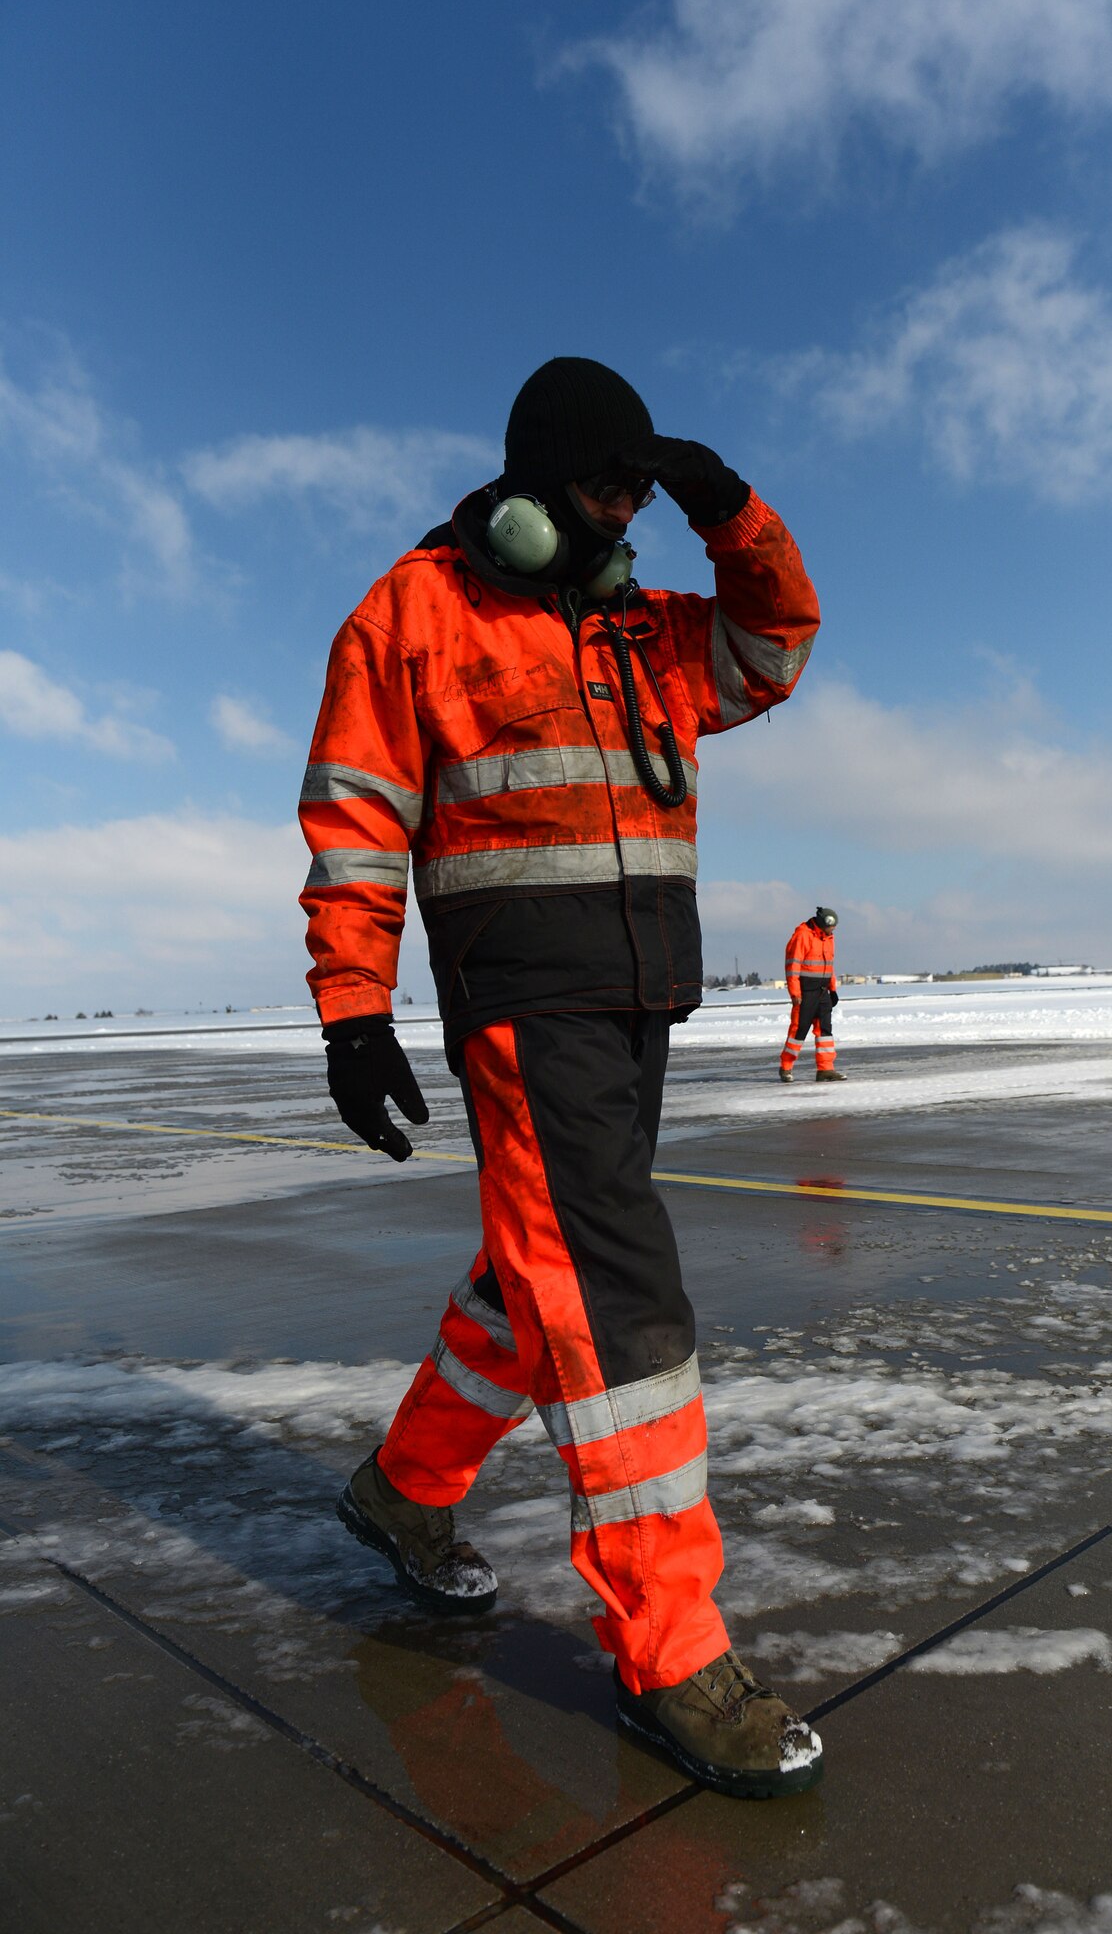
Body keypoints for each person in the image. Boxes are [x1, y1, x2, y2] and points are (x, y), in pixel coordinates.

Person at [298, 357, 824, 1798]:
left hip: (641, 999)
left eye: (643, 492)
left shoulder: (646, 630)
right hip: (525, 1011)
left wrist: (736, 517)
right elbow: (352, 818)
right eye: (604, 486)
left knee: (532, 1275)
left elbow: (775, 649)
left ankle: (402, 1492)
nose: (624, 512)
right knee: (610, 1300)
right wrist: (354, 1008)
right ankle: (668, 1652)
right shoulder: (414, 614)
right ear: (531, 489)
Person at [779, 906, 845, 1082]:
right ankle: (786, 1067)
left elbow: (829, 965)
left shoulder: (828, 937)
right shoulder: (803, 935)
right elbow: (792, 967)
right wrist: (795, 993)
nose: (834, 930)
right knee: (798, 1030)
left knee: (825, 1031)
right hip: (805, 992)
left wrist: (833, 989)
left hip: (823, 991)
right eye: (832, 926)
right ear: (824, 924)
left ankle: (825, 1069)